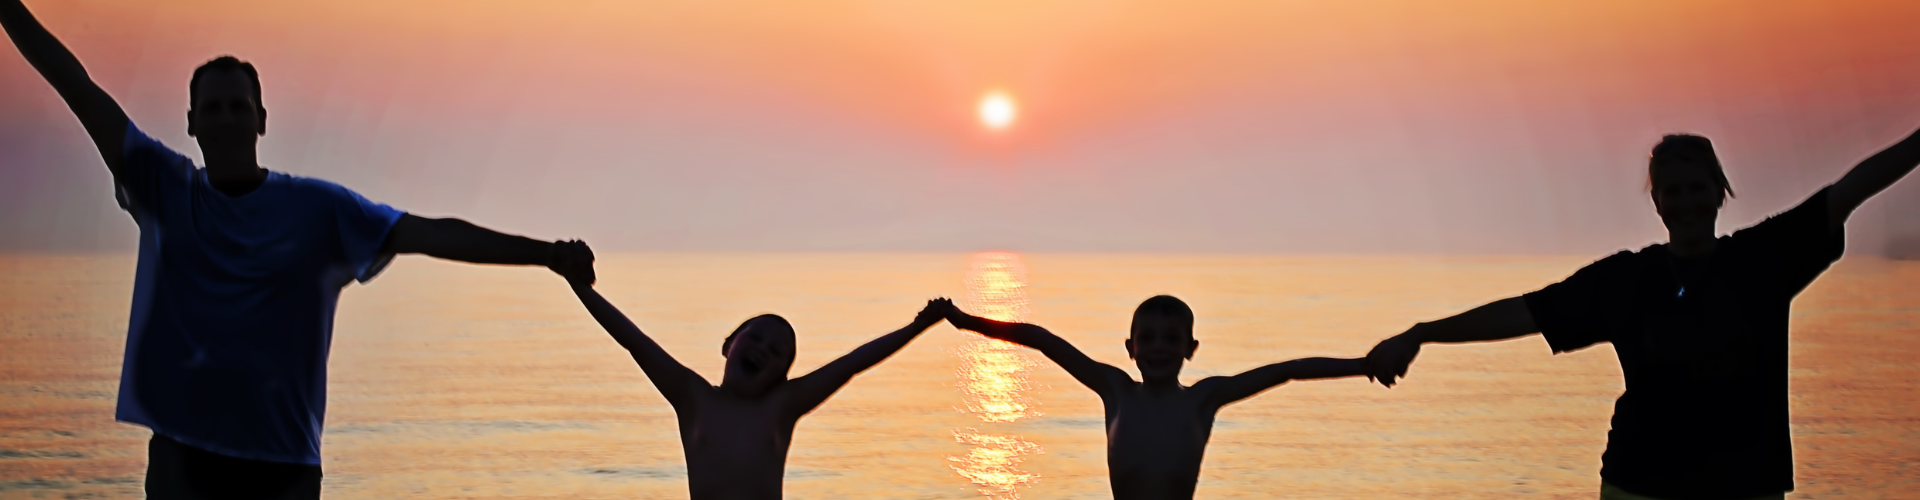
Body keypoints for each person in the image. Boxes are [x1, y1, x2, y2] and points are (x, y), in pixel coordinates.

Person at [1, 2, 593, 498]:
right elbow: (74, 84)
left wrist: (545, 254)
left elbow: (432, 234)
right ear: (190, 123)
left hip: (283, 469)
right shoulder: (165, 187)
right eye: (213, 107)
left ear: (261, 119)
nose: (228, 118)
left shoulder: (319, 211)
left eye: (239, 106)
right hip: (183, 462)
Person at [1364, 129, 1920, 500]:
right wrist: (1423, 334)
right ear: (1656, 201)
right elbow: (1525, 313)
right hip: (1641, 484)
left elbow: (1850, 190)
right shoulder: (1623, 280)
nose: (1686, 203)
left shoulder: (1762, 260)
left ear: (1721, 192)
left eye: (1698, 188)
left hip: (1746, 484)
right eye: (1671, 192)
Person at [553, 249, 949, 500]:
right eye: (755, 337)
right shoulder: (693, 396)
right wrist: (579, 285)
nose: (763, 348)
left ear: (781, 376)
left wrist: (918, 326)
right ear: (728, 344)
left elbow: (852, 363)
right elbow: (633, 340)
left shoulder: (783, 406)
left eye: (778, 352)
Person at [940, 295, 1367, 500]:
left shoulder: (1204, 398)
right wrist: (965, 321)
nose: (1159, 347)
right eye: (1148, 339)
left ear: (1190, 348)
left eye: (1171, 339)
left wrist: (1364, 365)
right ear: (1131, 348)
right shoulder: (1115, 389)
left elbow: (1287, 371)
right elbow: (1042, 339)